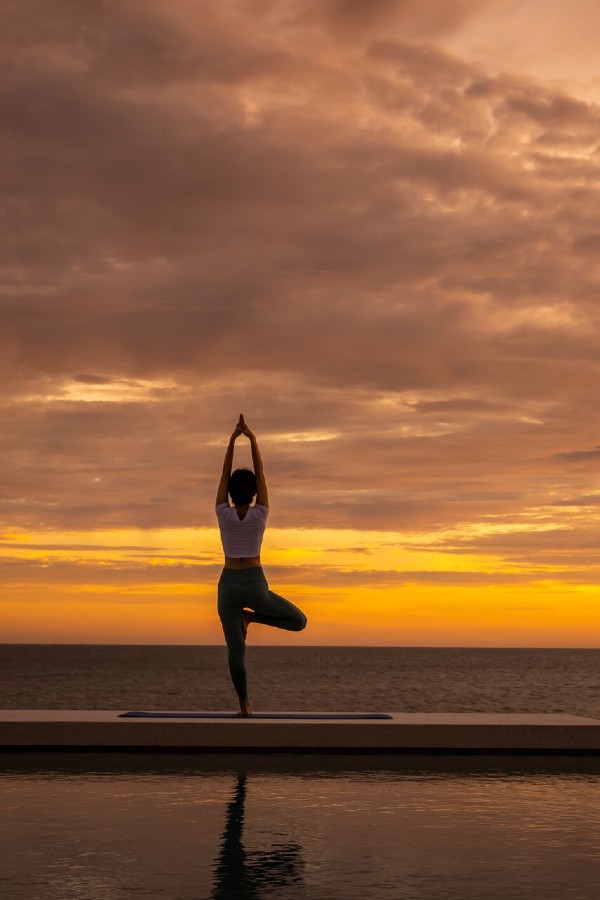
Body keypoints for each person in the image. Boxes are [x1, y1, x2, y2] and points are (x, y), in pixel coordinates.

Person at [216, 414, 307, 716]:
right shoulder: (260, 513)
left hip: (228, 585)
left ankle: (244, 706)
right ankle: (251, 619)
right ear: (254, 493)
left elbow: (223, 473)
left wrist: (232, 441)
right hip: (255, 585)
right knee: (299, 622)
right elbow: (262, 473)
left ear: (229, 493)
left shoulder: (222, 512)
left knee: (235, 653)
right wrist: (252, 440)